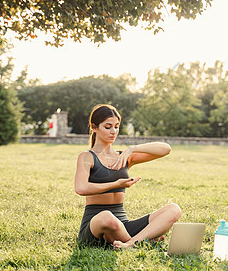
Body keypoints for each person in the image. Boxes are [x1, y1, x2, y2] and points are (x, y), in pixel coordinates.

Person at [74, 104, 181, 249]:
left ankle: (130, 243)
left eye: (116, 126)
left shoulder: (123, 157)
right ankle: (143, 241)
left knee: (174, 209)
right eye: (108, 127)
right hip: (96, 224)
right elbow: (81, 188)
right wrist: (116, 184)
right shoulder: (87, 157)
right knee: (107, 217)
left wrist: (132, 149)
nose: (114, 131)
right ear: (94, 127)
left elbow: (165, 149)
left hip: (123, 225)